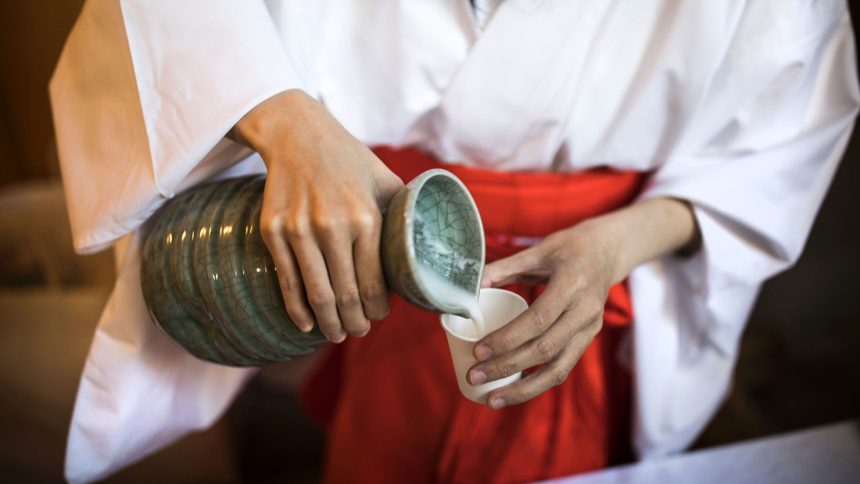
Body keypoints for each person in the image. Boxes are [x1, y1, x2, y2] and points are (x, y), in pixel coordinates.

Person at [50, 1, 859, 482]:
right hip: (373, 236)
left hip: (593, 281)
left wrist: (615, 244)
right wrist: (285, 117)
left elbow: (782, 139)